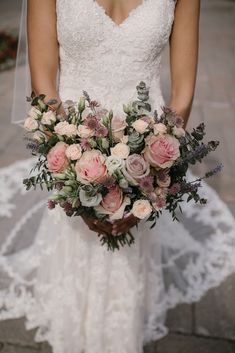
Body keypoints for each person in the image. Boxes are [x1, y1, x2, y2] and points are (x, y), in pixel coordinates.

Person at [1, 1, 235, 353]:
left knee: (127, 263)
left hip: (145, 148)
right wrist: (74, 175)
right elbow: (44, 83)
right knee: (77, 248)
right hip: (74, 142)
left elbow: (183, 93)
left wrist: (153, 171)